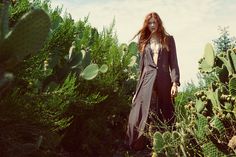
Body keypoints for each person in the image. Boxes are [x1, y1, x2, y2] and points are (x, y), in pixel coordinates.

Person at [126, 12, 180, 150]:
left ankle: (168, 145)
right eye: (149, 23)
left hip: (164, 79)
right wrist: (136, 91)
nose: (152, 25)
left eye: (154, 22)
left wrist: (175, 83)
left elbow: (173, 62)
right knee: (137, 111)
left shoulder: (169, 39)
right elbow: (141, 67)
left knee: (166, 110)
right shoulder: (144, 42)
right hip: (146, 79)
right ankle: (135, 145)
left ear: (159, 23)